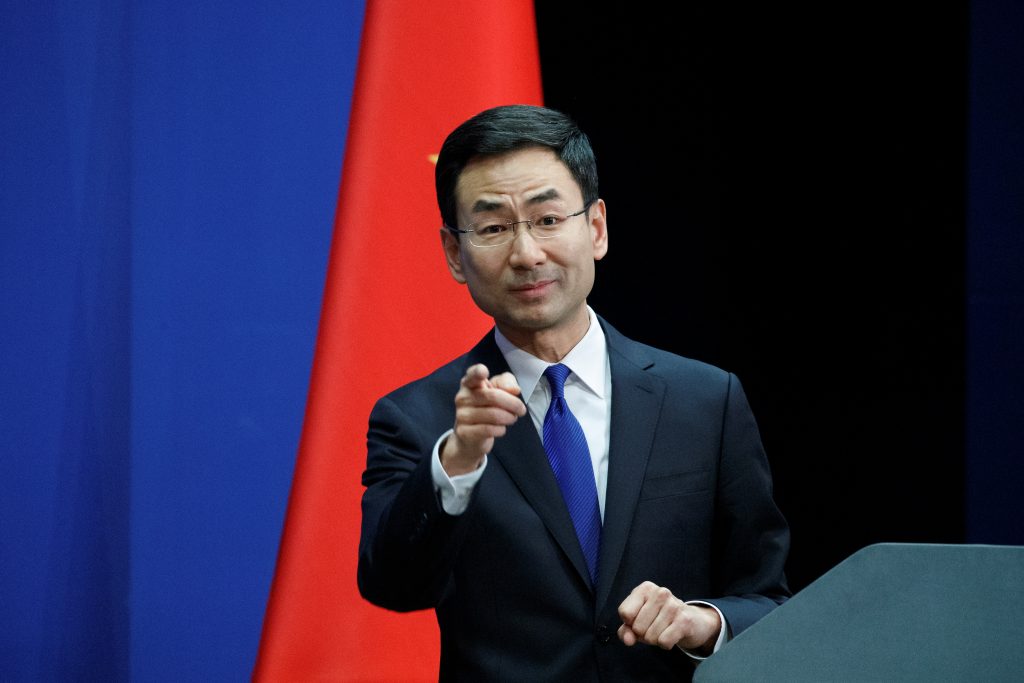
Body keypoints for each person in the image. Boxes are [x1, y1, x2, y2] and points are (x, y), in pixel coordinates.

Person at [357, 104, 791, 681]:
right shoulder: (418, 419)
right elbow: (393, 585)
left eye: (547, 218)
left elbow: (769, 601)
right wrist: (457, 461)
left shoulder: (705, 401)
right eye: (493, 228)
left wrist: (704, 622)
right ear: (455, 254)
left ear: (596, 228)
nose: (526, 254)